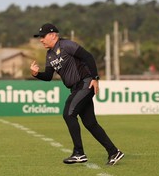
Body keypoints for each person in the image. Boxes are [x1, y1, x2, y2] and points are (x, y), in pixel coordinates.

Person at [30, 23, 124, 165]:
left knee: (68, 113)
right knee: (90, 123)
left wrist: (95, 78)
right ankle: (114, 152)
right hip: (76, 88)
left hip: (85, 83)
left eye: (43, 36)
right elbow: (49, 76)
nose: (41, 40)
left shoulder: (67, 45)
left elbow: (88, 57)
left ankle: (79, 153)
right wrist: (36, 74)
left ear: (53, 35)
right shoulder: (49, 54)